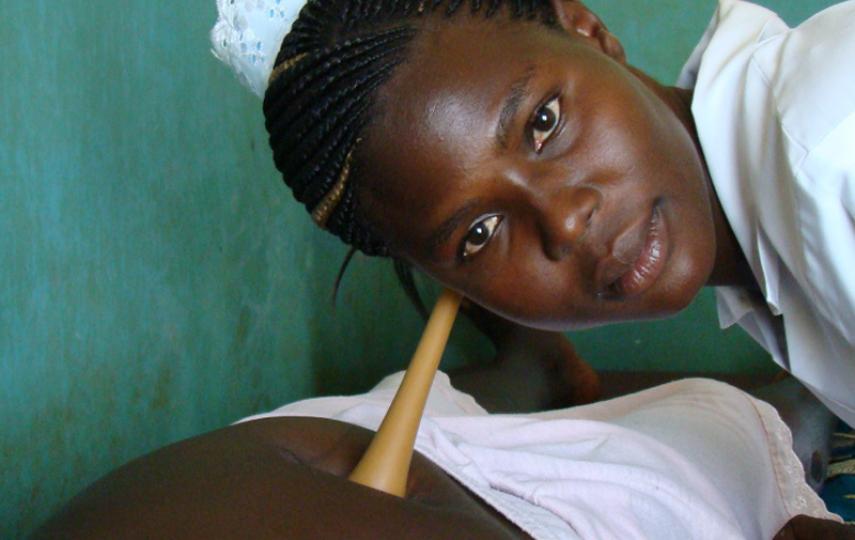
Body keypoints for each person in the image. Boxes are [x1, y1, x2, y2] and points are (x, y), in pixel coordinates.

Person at [211, 0, 855, 427]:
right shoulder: (769, 249)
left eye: (544, 122)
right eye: (480, 234)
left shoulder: (834, 159)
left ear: (587, 30)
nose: (565, 223)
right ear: (458, 290)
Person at [34, 360, 850, 539]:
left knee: (756, 420)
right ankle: (797, 404)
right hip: (626, 503)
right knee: (742, 421)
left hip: (337, 445)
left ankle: (537, 369)